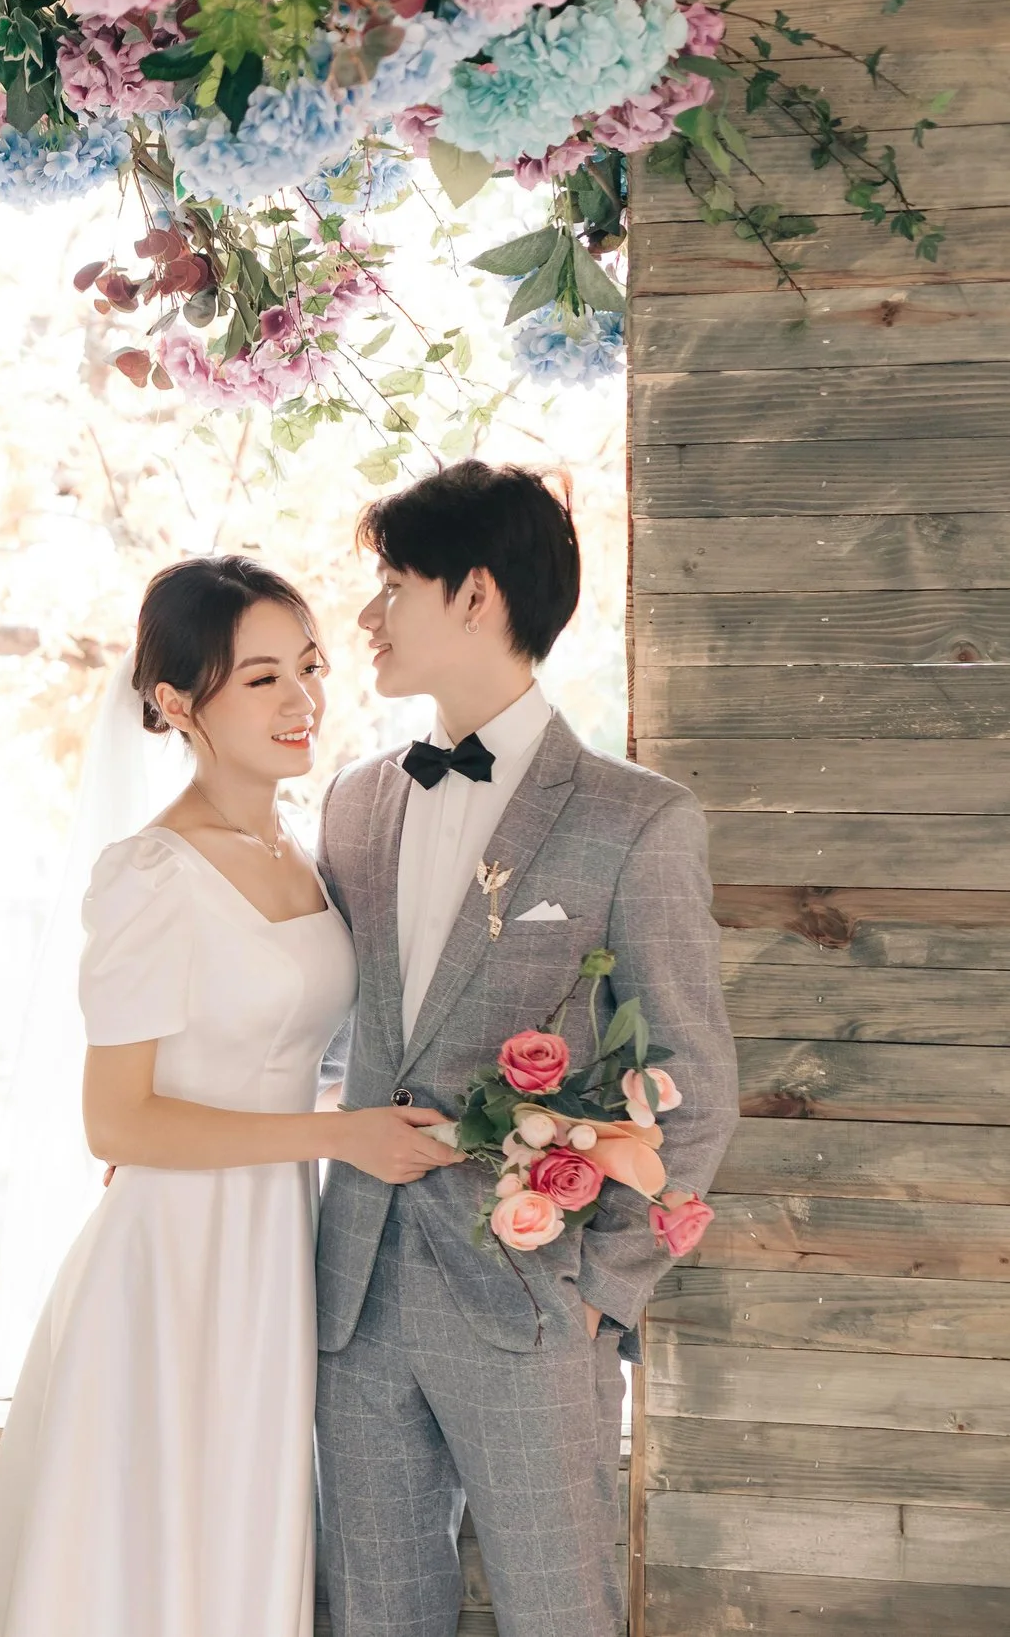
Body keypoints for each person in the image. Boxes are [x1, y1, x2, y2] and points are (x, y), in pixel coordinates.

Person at [0, 555, 463, 1637]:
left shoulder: (304, 848)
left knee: (241, 1524)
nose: (303, 699)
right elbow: (117, 1120)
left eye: (310, 667)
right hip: (174, 1251)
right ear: (178, 700)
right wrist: (336, 1135)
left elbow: (279, 1038)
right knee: (156, 1539)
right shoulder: (150, 873)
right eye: (261, 677)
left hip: (274, 1234)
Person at [313, 461, 737, 1637]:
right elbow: (327, 1033)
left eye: (391, 584)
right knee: (372, 1615)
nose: (366, 618)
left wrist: (598, 1297)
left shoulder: (635, 817)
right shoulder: (350, 804)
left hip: (531, 1305)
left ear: (475, 595)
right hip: (350, 1297)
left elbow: (692, 1089)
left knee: (561, 1614)